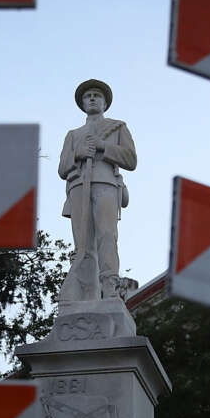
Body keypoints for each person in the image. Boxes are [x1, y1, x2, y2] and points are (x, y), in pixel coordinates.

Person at [58, 79, 136, 302]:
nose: (92, 98)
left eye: (97, 95)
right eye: (88, 96)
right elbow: (62, 168)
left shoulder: (117, 127)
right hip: (78, 187)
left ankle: (110, 285)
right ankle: (85, 291)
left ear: (104, 103)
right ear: (83, 103)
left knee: (107, 235)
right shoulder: (73, 134)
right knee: (82, 244)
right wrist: (77, 153)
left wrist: (104, 147)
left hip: (106, 184)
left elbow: (131, 159)